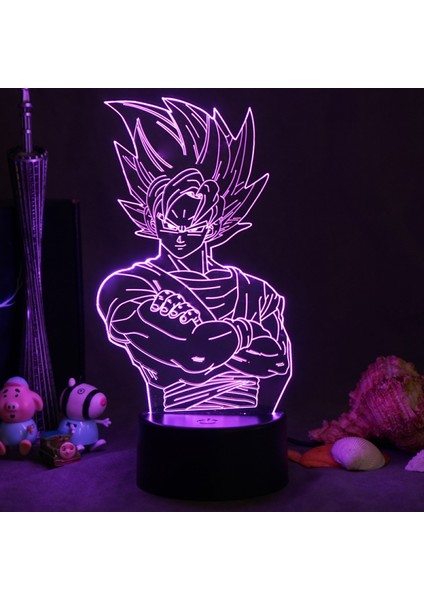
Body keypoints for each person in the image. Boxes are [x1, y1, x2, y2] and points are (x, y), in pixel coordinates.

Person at [97, 98, 292, 414]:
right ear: (154, 220)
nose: (180, 236)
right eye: (170, 224)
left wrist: (205, 343)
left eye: (194, 225)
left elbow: (278, 364)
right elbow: (193, 354)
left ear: (212, 225)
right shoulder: (127, 286)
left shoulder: (255, 291)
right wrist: (247, 333)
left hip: (250, 426)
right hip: (171, 427)